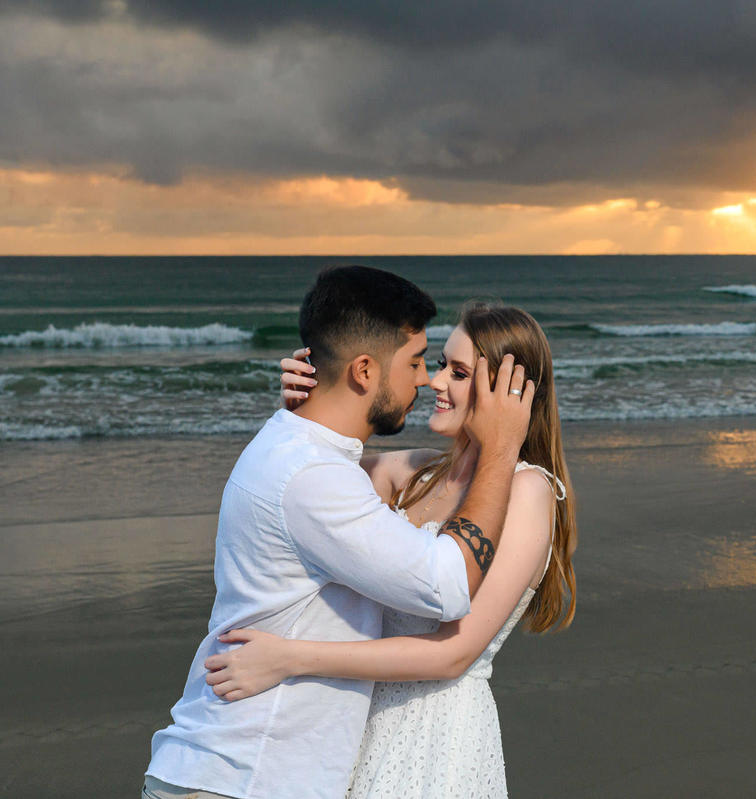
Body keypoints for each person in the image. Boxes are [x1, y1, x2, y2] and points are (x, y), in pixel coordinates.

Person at [143, 268, 534, 799]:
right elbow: (447, 583)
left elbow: (334, 462)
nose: (428, 381)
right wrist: (504, 446)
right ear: (365, 370)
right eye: (421, 363)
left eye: (449, 369)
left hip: (276, 768)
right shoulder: (316, 477)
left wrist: (311, 402)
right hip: (243, 776)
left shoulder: (304, 453)